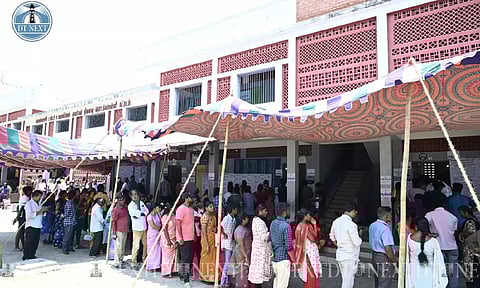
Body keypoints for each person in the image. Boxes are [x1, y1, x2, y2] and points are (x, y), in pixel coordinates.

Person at [425, 197, 459, 288]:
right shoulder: (453, 217)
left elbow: (423, 226)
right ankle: (453, 286)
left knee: (439, 269)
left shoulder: (429, 215)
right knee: (453, 270)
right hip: (452, 246)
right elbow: (454, 231)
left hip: (438, 246)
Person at [406, 217, 448, 288]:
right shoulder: (433, 241)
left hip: (414, 272)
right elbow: (440, 260)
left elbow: (407, 256)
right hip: (429, 273)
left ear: (416, 226)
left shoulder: (410, 239)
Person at [329, 202, 362, 288]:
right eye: (355, 213)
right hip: (350, 256)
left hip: (340, 254)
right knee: (348, 282)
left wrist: (339, 245)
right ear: (353, 211)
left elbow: (332, 236)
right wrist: (360, 237)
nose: (355, 215)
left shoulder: (336, 221)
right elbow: (357, 242)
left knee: (346, 279)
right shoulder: (351, 225)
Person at [369, 207, 398, 288]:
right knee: (384, 282)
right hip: (384, 258)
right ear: (387, 215)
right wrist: (394, 260)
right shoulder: (385, 229)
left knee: (378, 281)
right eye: (391, 214)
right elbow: (388, 249)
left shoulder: (372, 225)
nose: (391, 216)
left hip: (375, 256)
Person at [292, 208, 321, 288]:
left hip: (303, 253)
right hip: (309, 253)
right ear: (305, 216)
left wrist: (314, 224)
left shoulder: (299, 226)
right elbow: (313, 238)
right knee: (311, 275)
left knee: (307, 275)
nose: (310, 216)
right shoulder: (305, 227)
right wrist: (314, 224)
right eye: (309, 215)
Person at [248, 204, 272, 287]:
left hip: (259, 248)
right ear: (260, 211)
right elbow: (264, 236)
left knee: (258, 272)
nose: (266, 212)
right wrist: (272, 232)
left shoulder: (256, 220)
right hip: (260, 249)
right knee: (259, 272)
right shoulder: (259, 222)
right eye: (265, 211)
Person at [270, 203, 293, 288]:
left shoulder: (273, 223)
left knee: (276, 283)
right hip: (283, 259)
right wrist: (294, 259)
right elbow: (289, 247)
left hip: (275, 258)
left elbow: (270, 239)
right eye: (288, 211)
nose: (289, 213)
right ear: (284, 212)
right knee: (282, 284)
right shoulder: (286, 226)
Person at [176, 191, 196, 287]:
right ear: (186, 198)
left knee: (190, 258)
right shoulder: (180, 209)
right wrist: (179, 237)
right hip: (184, 238)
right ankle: (186, 280)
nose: (193, 199)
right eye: (191, 198)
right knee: (185, 259)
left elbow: (192, 223)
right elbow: (178, 224)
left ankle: (183, 274)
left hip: (191, 237)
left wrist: (195, 234)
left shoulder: (191, 209)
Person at [458, 206, 480, 288]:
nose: (460, 214)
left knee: (471, 268)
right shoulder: (475, 219)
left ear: (466, 212)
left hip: (471, 249)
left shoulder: (470, 221)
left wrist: (461, 234)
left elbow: (471, 231)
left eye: (461, 212)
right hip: (474, 248)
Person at [23, 190, 48, 260]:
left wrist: (43, 211)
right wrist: (40, 211)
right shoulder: (29, 204)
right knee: (29, 241)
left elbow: (41, 214)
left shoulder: (39, 204)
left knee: (35, 242)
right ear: (35, 196)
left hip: (38, 225)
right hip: (31, 225)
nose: (40, 198)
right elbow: (29, 215)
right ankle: (26, 255)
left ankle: (32, 254)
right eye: (39, 197)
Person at [229, 214, 252, 288]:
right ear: (243, 219)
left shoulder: (240, 229)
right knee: (241, 271)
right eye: (246, 218)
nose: (248, 220)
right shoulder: (240, 230)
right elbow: (240, 244)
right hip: (241, 253)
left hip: (242, 252)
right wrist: (245, 256)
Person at [128, 190, 149, 270]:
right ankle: (134, 262)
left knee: (145, 245)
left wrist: (141, 213)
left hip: (144, 227)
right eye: (133, 195)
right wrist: (141, 213)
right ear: (131, 196)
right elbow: (136, 214)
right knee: (136, 246)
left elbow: (146, 211)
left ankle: (144, 260)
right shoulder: (131, 205)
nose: (135, 196)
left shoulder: (141, 203)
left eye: (136, 194)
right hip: (137, 228)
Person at [221, 205, 239, 287]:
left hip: (231, 242)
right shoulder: (226, 218)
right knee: (227, 263)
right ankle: (223, 282)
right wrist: (224, 233)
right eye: (236, 209)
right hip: (227, 242)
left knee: (230, 262)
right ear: (233, 209)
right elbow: (220, 226)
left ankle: (227, 281)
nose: (237, 211)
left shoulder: (234, 219)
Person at [199, 201, 217, 283]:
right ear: (206, 208)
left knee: (212, 258)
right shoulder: (205, 217)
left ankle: (212, 276)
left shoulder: (213, 215)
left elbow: (214, 226)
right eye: (210, 206)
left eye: (212, 206)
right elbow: (203, 232)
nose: (212, 208)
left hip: (213, 238)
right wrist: (206, 244)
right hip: (206, 239)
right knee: (206, 256)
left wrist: (215, 229)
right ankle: (204, 276)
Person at [111, 195, 129, 269]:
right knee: (119, 246)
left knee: (123, 246)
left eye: (123, 199)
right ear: (118, 200)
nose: (123, 201)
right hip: (119, 230)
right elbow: (113, 221)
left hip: (125, 229)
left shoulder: (125, 207)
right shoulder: (115, 209)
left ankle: (121, 259)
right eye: (121, 200)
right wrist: (114, 233)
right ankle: (116, 262)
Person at [13, 186, 32, 251]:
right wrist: (17, 217)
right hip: (22, 216)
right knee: (20, 231)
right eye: (29, 191)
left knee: (23, 231)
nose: (31, 192)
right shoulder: (25, 198)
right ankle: (16, 246)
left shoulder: (28, 198)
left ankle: (23, 245)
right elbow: (21, 208)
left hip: (25, 215)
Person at [161, 203, 177, 277]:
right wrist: (168, 241)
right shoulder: (165, 217)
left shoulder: (173, 216)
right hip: (167, 238)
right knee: (167, 256)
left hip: (174, 237)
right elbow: (164, 229)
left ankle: (172, 270)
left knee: (173, 255)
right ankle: (166, 272)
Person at [146, 203, 162, 272]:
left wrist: (159, 213)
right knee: (151, 251)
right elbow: (152, 225)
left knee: (157, 251)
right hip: (152, 235)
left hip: (157, 234)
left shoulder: (157, 214)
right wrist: (159, 227)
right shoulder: (149, 216)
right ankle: (150, 266)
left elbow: (162, 221)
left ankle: (156, 266)